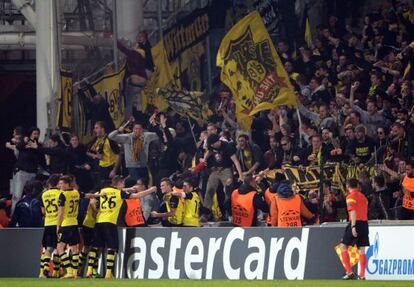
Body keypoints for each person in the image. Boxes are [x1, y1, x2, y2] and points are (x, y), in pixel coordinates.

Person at [86, 176, 156, 279]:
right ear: (120, 183)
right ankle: (108, 273)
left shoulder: (103, 190)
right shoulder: (120, 193)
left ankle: (89, 271)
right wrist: (151, 190)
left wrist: (96, 210)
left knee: (95, 246)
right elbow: (137, 195)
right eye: (123, 183)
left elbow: (92, 199)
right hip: (110, 222)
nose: (123, 185)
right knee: (112, 247)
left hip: (99, 221)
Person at [56, 175, 97, 279]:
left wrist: (58, 226)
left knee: (60, 248)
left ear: (66, 184)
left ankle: (69, 271)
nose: (60, 185)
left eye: (61, 183)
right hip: (74, 223)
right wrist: (99, 194)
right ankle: (75, 273)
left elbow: (60, 213)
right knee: (75, 249)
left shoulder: (62, 195)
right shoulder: (76, 192)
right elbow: (87, 195)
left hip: (65, 224)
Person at [201, 134, 244, 222]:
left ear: (218, 141)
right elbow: (209, 152)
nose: (212, 146)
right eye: (211, 145)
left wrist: (241, 175)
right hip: (215, 170)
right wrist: (204, 159)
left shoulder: (227, 146)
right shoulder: (211, 146)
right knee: (209, 190)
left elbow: (235, 161)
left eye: (214, 144)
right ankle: (206, 213)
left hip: (226, 170)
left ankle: (230, 213)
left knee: (228, 190)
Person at [338, 178, 369, 280]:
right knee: (362, 250)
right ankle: (362, 274)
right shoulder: (364, 197)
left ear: (347, 186)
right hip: (364, 223)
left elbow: (353, 212)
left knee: (343, 246)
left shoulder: (350, 197)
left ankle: (349, 271)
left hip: (356, 223)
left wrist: (353, 226)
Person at [12, 127, 45, 214]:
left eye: (37, 134)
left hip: (32, 173)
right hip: (22, 172)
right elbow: (18, 147)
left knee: (32, 196)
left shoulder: (38, 146)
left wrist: (36, 148)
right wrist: (24, 141)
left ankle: (30, 216)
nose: (36, 136)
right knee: (17, 196)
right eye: (34, 134)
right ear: (30, 134)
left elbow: (40, 160)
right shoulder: (25, 142)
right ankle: (13, 218)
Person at [39, 174, 62, 278]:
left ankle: (45, 268)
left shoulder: (44, 194)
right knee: (58, 247)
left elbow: (43, 211)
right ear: (58, 183)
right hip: (57, 223)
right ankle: (56, 271)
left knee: (48, 248)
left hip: (47, 223)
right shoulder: (61, 193)